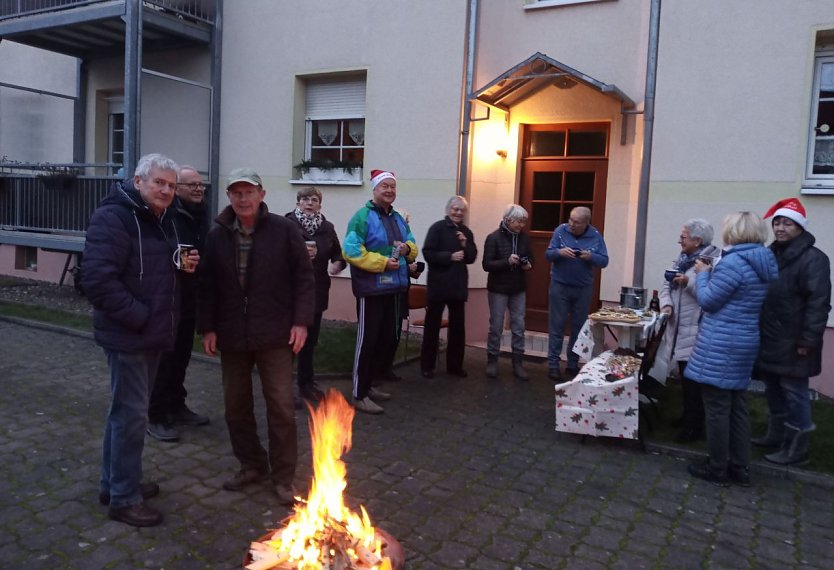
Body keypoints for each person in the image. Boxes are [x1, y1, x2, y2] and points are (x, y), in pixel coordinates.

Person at [82, 153, 197, 527]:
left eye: (171, 185)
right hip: (130, 335)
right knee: (131, 417)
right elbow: (97, 281)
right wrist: (141, 317)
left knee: (124, 414)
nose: (166, 190)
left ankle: (113, 484)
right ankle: (124, 499)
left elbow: (146, 270)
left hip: (149, 335)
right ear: (138, 182)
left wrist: (178, 266)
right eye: (159, 183)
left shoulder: (160, 219)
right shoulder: (114, 217)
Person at [197, 168, 314, 505]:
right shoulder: (218, 234)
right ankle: (251, 463)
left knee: (279, 407)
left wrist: (301, 322)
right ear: (229, 197)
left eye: (249, 192)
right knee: (235, 406)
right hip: (232, 335)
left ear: (261, 194)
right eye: (236, 192)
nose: (242, 198)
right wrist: (208, 327)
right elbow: (207, 286)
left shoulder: (284, 230)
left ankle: (283, 477)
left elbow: (304, 280)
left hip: (275, 334)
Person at [684, 211, 778, 487]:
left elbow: (709, 300)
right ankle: (740, 466)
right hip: (745, 338)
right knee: (737, 404)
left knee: (716, 407)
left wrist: (702, 275)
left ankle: (717, 467)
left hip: (722, 341)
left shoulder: (734, 262)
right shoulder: (762, 260)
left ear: (733, 233)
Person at [753, 198, 831, 466]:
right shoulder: (771, 253)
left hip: (795, 340)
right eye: (777, 222)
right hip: (771, 336)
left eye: (787, 223)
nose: (780, 228)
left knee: (794, 391)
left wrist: (808, 340)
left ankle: (798, 448)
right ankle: (776, 435)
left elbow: (818, 303)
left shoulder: (814, 259)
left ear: (800, 227)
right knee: (772, 387)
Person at [343, 169, 418, 414]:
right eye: (384, 186)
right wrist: (383, 263)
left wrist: (407, 250)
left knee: (382, 341)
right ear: (374, 189)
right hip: (371, 290)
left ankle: (370, 384)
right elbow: (351, 251)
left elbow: (413, 245)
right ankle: (358, 393)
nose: (389, 190)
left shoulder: (397, 218)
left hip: (393, 288)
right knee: (367, 342)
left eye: (392, 187)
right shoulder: (362, 217)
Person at [147, 165, 210, 442]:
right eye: (191, 185)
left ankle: (176, 404)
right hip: (169, 299)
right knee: (164, 360)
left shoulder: (199, 215)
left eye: (200, 185)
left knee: (181, 357)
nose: (198, 189)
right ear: (178, 190)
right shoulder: (170, 215)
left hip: (190, 300)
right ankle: (155, 415)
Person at [285, 186, 347, 406]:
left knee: (310, 342)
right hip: (292, 293)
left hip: (318, 291)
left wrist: (338, 264)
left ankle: (306, 384)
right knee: (290, 342)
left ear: (320, 204)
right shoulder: (287, 224)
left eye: (314, 200)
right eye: (304, 199)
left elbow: (338, 253)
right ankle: (283, 390)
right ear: (298, 203)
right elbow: (276, 255)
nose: (309, 203)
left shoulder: (326, 227)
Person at [657, 218, 715, 443]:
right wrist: (667, 304)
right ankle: (688, 418)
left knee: (693, 382)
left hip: (695, 329)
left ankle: (694, 428)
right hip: (678, 326)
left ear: (698, 241)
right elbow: (666, 285)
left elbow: (709, 295)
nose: (679, 240)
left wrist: (687, 283)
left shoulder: (710, 263)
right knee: (685, 379)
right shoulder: (682, 259)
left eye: (683, 237)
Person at [545, 206, 609, 382]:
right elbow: (548, 254)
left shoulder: (595, 235)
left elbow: (604, 260)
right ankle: (553, 365)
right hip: (560, 286)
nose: (571, 224)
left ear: (586, 223)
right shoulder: (560, 231)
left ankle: (572, 364)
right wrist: (559, 252)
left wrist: (591, 257)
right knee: (556, 325)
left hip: (582, 288)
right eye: (571, 220)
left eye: (576, 222)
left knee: (578, 327)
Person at [420, 196, 478, 379]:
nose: (458, 212)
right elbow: (428, 253)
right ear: (448, 210)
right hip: (438, 286)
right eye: (455, 209)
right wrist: (449, 257)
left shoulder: (466, 232)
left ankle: (455, 366)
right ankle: (427, 366)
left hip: (458, 287)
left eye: (462, 210)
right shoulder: (437, 228)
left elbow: (471, 257)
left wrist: (464, 244)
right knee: (432, 327)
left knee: (458, 329)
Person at [482, 204, 533, 380]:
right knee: (496, 326)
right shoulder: (493, 238)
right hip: (498, 288)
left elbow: (530, 257)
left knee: (519, 326)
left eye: (523, 222)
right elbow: (486, 265)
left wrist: (527, 264)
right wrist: (507, 261)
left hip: (518, 287)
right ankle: (492, 360)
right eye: (519, 221)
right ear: (507, 220)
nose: (521, 225)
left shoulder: (525, 238)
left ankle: (518, 363)